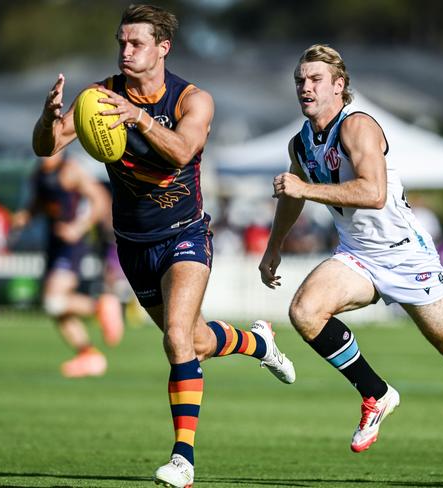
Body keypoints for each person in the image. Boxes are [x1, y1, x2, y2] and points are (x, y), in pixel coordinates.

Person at [259, 44, 443, 487]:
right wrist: (274, 246)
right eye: (301, 80)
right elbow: (292, 196)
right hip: (357, 256)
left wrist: (304, 189)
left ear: (339, 86)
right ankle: (376, 394)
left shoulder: (357, 126)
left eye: (316, 79)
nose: (305, 87)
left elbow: (372, 193)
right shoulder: (300, 143)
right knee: (304, 312)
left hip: (405, 255)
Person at [32, 5, 295, 487]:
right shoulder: (100, 96)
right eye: (121, 42)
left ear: (162, 48)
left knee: (175, 337)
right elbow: (46, 148)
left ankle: (183, 460)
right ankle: (259, 342)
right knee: (193, 339)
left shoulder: (192, 100)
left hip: (185, 234)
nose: (125, 51)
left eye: (135, 43)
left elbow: (182, 151)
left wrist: (140, 119)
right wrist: (49, 121)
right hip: (133, 244)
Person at [13, 152, 125, 378]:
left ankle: (99, 306)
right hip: (54, 244)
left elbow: (100, 200)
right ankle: (88, 354)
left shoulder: (70, 170)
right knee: (56, 309)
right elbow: (39, 204)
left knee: (54, 301)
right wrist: (25, 216)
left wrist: (78, 227)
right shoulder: (39, 174)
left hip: (72, 245)